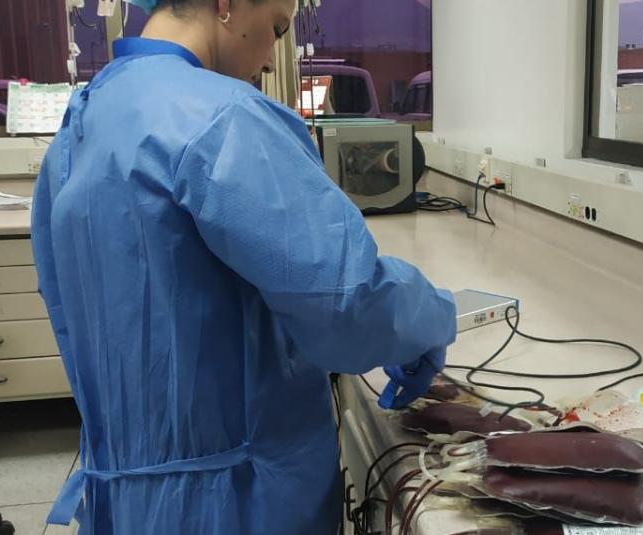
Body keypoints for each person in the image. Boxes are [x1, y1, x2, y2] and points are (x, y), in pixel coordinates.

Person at [30, 0, 456, 533]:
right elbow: (346, 301)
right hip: (233, 499)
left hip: (126, 499)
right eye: (277, 27)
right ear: (226, 5)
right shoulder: (224, 118)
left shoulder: (84, 120)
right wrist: (434, 319)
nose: (273, 59)